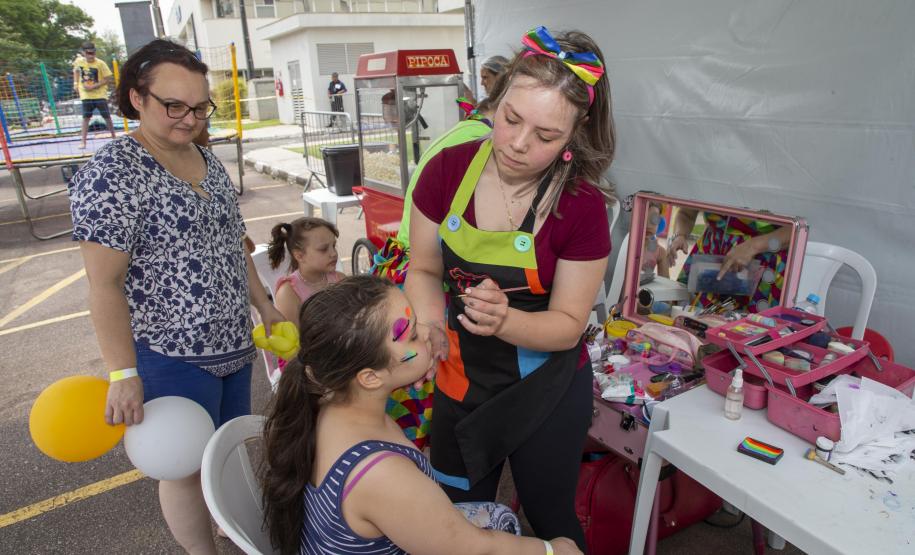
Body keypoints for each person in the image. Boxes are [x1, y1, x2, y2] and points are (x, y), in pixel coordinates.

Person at [69, 39, 285, 555]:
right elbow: (104, 285)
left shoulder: (207, 160)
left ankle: (230, 529)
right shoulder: (113, 174)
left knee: (227, 456)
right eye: (174, 106)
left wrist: (267, 304)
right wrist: (123, 373)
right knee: (183, 466)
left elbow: (232, 245)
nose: (189, 119)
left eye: (199, 107)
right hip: (170, 355)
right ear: (136, 98)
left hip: (233, 346)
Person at [405, 26, 615, 550]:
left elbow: (568, 326)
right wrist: (431, 325)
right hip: (461, 376)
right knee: (456, 520)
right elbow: (426, 270)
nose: (519, 144)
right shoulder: (446, 171)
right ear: (493, 101)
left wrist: (508, 321)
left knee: (551, 520)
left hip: (545, 386)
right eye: (511, 119)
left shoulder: (582, 206)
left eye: (545, 136)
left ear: (576, 135)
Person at [261, 275, 581, 555]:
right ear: (369, 377)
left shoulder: (328, 404)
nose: (427, 334)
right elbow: (471, 547)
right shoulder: (383, 474)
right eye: (413, 335)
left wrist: (404, 367)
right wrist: (552, 549)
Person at [665, 208, 791, 312]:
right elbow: (686, 212)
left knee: (747, 332)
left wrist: (753, 246)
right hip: (710, 257)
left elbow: (795, 229)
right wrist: (680, 235)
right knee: (687, 321)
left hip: (762, 260)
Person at [266, 216, 345, 327]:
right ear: (299, 255)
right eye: (323, 249)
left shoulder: (340, 280)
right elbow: (294, 340)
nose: (334, 253)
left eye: (334, 246)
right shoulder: (288, 293)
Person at [72, 41, 116, 149]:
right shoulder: (79, 62)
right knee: (85, 118)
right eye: (89, 53)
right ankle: (83, 142)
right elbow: (76, 71)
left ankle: (114, 138)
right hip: (86, 96)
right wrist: (76, 83)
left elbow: (107, 79)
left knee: (107, 117)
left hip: (100, 95)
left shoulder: (100, 63)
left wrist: (94, 86)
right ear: (83, 53)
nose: (91, 55)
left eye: (93, 53)